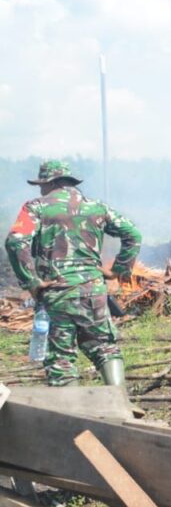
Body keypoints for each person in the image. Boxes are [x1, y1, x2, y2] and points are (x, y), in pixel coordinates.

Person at [5, 160, 141, 386]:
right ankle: (119, 399)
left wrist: (31, 281)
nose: (40, 189)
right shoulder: (97, 207)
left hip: (57, 292)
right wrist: (118, 270)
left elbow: (15, 242)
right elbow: (133, 234)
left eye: (41, 185)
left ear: (52, 182)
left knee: (61, 360)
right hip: (94, 291)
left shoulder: (36, 207)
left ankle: (73, 407)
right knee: (105, 347)